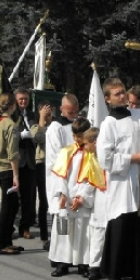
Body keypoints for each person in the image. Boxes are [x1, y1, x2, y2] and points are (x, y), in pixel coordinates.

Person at [97, 78, 140, 280]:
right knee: (122, 225)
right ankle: (116, 273)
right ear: (107, 99)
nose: (122, 96)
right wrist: (132, 158)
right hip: (122, 182)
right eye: (117, 94)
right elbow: (105, 159)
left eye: (123, 91)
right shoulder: (109, 124)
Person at [47, 118, 96, 277]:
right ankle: (62, 262)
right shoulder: (66, 151)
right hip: (66, 199)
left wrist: (81, 196)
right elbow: (59, 175)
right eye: (75, 136)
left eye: (80, 136)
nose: (77, 139)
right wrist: (62, 194)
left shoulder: (92, 155)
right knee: (63, 232)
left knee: (83, 232)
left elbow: (92, 177)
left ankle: (83, 263)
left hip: (81, 199)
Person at [45, 93, 79, 252]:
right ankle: (59, 258)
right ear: (61, 109)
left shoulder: (79, 125)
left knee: (77, 219)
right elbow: (56, 156)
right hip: (61, 177)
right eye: (69, 112)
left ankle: (74, 255)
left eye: (75, 112)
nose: (73, 115)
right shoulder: (55, 127)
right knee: (61, 216)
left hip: (77, 177)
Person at [0, 93, 22, 255]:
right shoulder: (10, 124)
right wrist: (16, 175)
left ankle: (7, 240)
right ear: (13, 106)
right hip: (7, 169)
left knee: (13, 205)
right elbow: (13, 153)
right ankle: (2, 243)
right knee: (7, 207)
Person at [84, 127, 107, 280]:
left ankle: (98, 265)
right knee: (95, 233)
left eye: (87, 143)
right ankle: (93, 265)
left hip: (106, 197)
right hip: (97, 198)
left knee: (100, 232)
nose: (85, 147)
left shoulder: (101, 158)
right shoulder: (91, 157)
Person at [14, 88, 37, 240]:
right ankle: (15, 224)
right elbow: (8, 134)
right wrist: (20, 135)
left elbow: (37, 130)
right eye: (21, 99)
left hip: (30, 160)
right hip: (16, 160)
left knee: (29, 197)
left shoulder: (32, 115)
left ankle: (25, 227)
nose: (23, 102)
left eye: (26, 99)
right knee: (16, 197)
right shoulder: (11, 115)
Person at [31, 102, 53, 250]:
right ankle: (44, 236)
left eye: (49, 112)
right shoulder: (35, 126)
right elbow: (38, 138)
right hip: (41, 163)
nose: (48, 115)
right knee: (44, 201)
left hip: (55, 165)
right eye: (44, 112)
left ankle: (59, 236)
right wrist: (42, 120)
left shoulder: (56, 127)